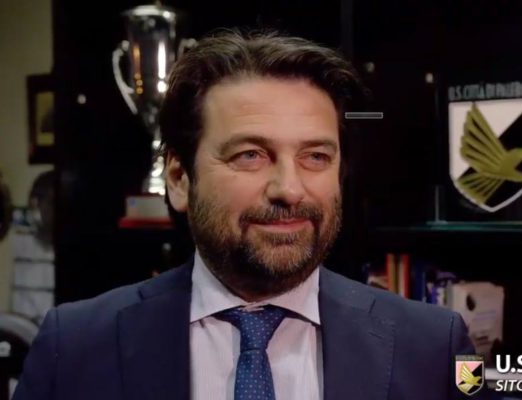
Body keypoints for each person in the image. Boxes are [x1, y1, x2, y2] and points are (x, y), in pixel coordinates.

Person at [12, 29, 477, 400]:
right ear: (179, 178)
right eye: (250, 155)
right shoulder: (72, 347)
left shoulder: (436, 348)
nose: (289, 189)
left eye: (316, 156)